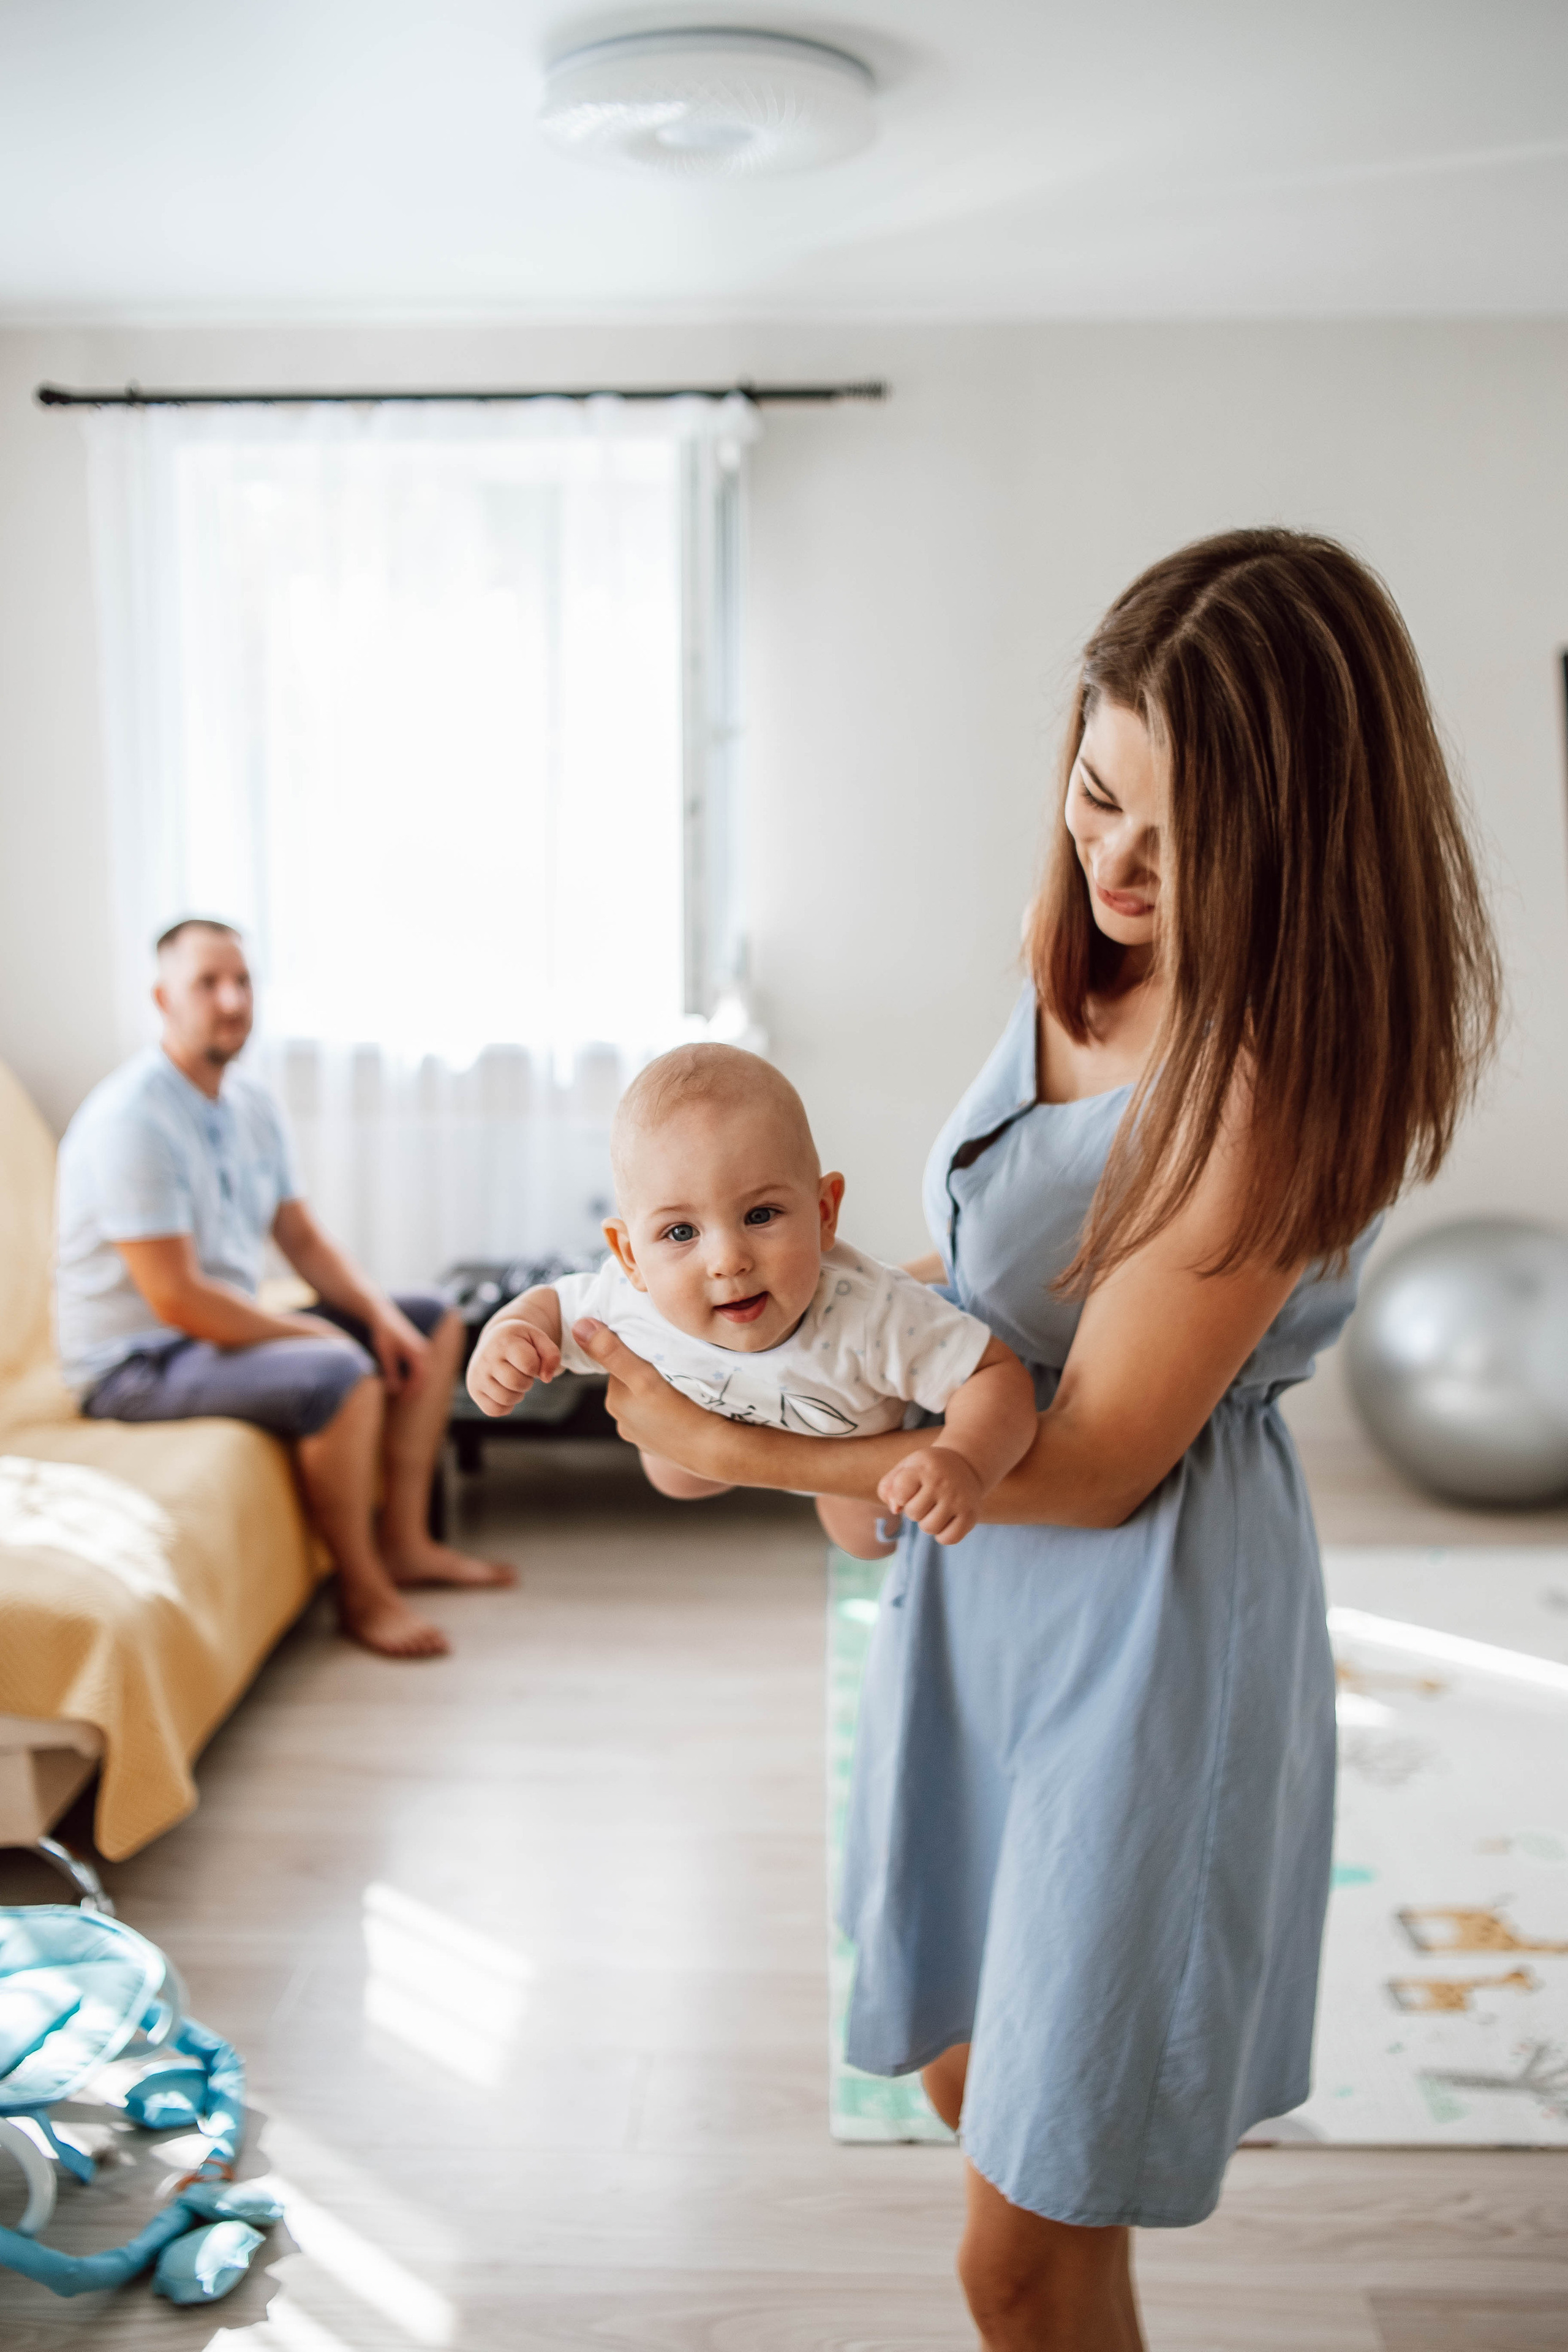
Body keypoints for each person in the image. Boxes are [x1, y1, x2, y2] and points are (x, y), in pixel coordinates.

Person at [565, 530, 1501, 2349]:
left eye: (1181, 831)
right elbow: (999, 1267)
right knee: (969, 2078)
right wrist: (781, 1317)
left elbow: (1095, 1455)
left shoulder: (1264, 1085)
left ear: (1296, 834)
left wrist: (735, 1450)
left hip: (1133, 1611)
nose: (1120, 862)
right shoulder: (1072, 954)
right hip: (979, 1585)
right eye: (1095, 796)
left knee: (1016, 2236)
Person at [55, 919, 514, 1660]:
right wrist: (325, 1337)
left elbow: (300, 1238)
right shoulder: (132, 1118)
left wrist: (378, 1317)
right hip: (137, 1363)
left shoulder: (250, 1106)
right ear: (162, 997)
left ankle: (405, 1543)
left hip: (211, 1333)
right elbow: (176, 1300)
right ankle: (363, 1593)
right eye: (208, 983)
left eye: (242, 981)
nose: (232, 1000)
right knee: (342, 1371)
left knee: (430, 1323)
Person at [464, 1042, 1038, 1553]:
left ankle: (842, 1495)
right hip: (702, 1428)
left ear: (823, 1213)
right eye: (680, 1233)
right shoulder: (628, 1300)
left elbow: (992, 1373)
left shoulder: (874, 1315)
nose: (727, 1261)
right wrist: (506, 1338)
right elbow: (549, 1307)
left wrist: (963, 1458)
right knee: (677, 1476)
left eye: (760, 1215)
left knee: (867, 1540)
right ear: (630, 1256)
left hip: (855, 1444)